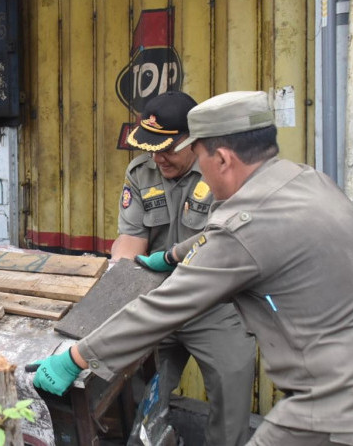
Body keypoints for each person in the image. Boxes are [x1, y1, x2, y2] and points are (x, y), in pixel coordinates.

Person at [32, 91, 353, 446]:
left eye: (201, 159)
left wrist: (76, 357)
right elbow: (230, 242)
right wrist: (173, 255)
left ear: (221, 159)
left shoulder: (244, 223)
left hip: (344, 392)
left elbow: (177, 296)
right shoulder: (302, 180)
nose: (202, 174)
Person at [110, 91, 256, 446]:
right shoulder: (141, 172)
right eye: (151, 148)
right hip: (159, 301)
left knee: (230, 403)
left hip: (216, 306)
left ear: (194, 141)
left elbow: (230, 246)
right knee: (136, 400)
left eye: (167, 149)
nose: (157, 158)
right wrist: (118, 278)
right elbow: (130, 238)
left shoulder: (223, 173)